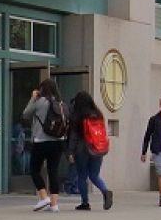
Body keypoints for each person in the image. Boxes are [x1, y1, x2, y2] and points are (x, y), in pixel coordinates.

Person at [22, 78, 67, 212]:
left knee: (34, 168)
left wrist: (32, 98)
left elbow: (25, 114)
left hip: (41, 141)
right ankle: (54, 204)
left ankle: (43, 197)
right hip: (59, 141)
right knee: (53, 171)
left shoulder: (40, 102)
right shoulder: (60, 103)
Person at [67, 91, 113, 211]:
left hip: (82, 150)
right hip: (97, 148)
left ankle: (85, 202)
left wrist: (70, 151)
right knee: (94, 175)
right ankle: (105, 191)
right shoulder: (98, 114)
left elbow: (74, 136)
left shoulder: (78, 115)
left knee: (82, 176)